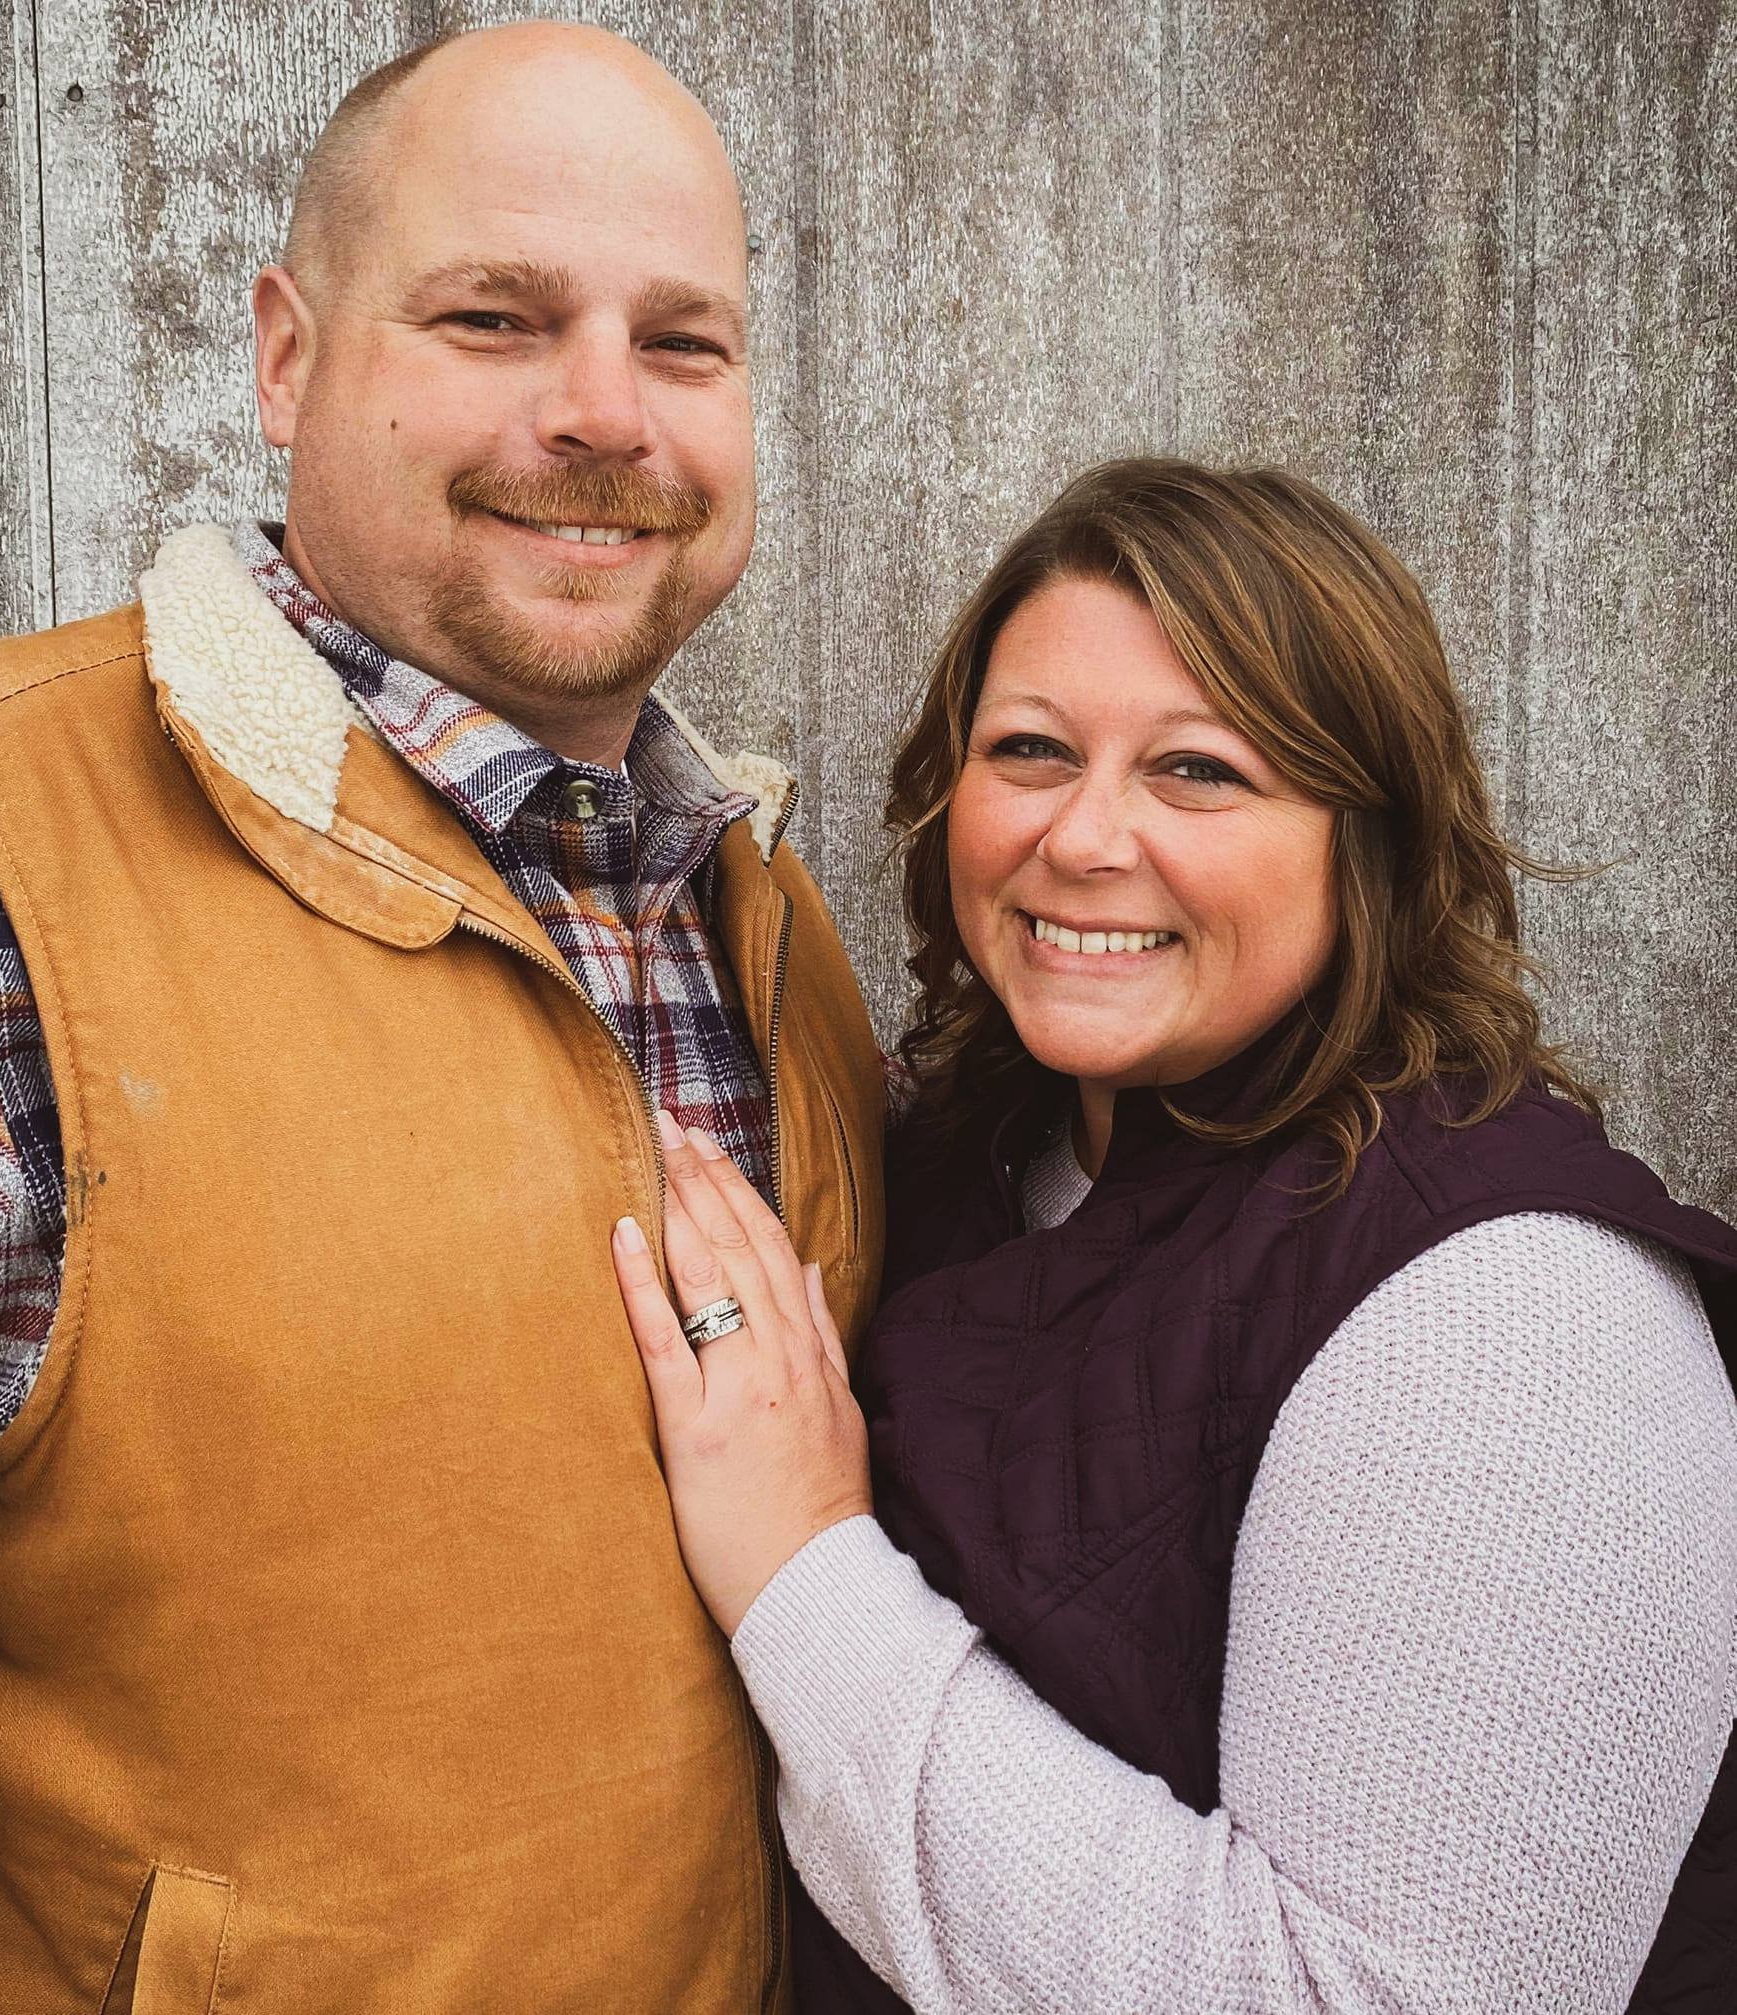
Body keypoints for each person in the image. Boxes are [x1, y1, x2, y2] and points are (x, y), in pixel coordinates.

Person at [0, 23, 884, 2013]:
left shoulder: (757, 918)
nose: (605, 411)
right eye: (496, 318)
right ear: (285, 356)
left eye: (680, 344)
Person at [612, 459, 1737, 2013]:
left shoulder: (1515, 1313)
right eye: (1030, 751)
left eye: (1199, 771)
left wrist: (805, 1571)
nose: (1083, 838)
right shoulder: (947, 1155)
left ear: (1371, 839)